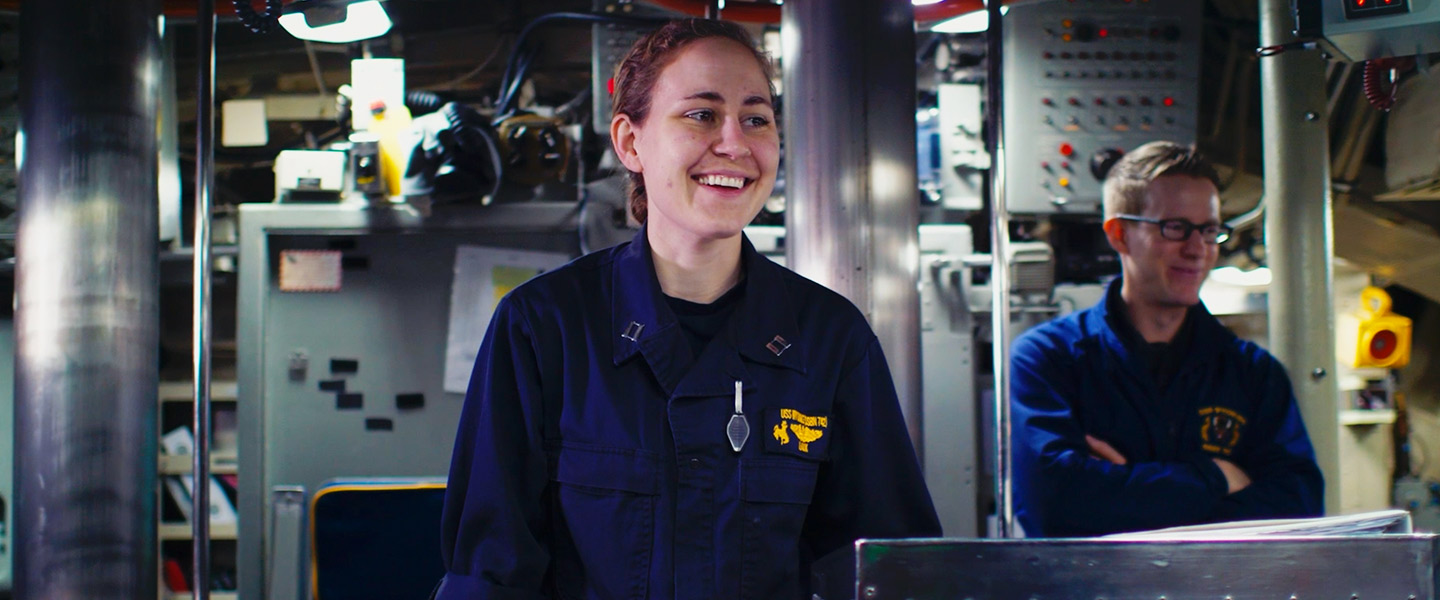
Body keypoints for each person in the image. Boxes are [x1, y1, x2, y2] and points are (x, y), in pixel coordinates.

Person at [437, 19, 941, 599]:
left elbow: (888, 573)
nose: (734, 143)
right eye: (701, 114)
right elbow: (489, 574)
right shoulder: (544, 327)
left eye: (756, 118)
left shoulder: (830, 339)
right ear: (630, 143)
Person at [1009, 141, 1324, 537]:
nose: (1197, 250)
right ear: (1119, 234)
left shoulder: (1253, 374)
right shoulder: (1050, 360)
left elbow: (1296, 510)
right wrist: (1215, 478)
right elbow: (1053, 503)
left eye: (1209, 230)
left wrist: (1119, 489)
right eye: (1175, 227)